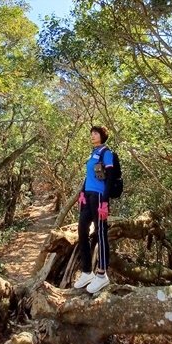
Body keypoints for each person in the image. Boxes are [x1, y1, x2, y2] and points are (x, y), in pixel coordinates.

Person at [73, 125, 116, 293]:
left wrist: (105, 202)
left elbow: (110, 178)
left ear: (102, 136)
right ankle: (86, 271)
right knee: (82, 230)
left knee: (100, 232)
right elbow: (89, 176)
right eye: (91, 133)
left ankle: (102, 274)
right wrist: (82, 193)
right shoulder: (93, 153)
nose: (92, 135)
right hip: (88, 195)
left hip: (99, 196)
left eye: (96, 133)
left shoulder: (107, 153)